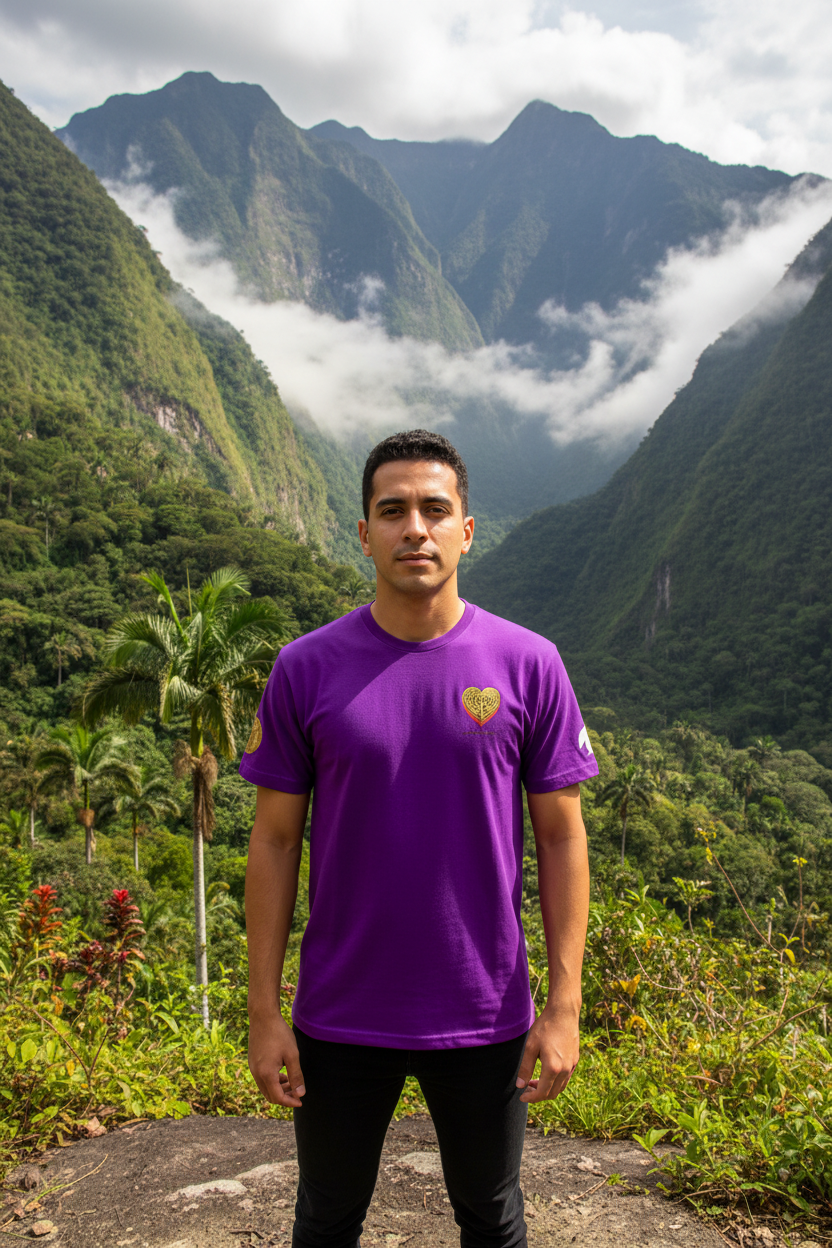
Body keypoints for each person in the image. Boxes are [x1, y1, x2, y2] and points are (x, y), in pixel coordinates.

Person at [242, 429, 598, 1248]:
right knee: (327, 1215)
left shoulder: (529, 663)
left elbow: (561, 838)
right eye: (393, 510)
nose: (415, 529)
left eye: (435, 510)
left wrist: (564, 1006)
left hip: (485, 1009)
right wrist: (263, 1012)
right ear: (363, 533)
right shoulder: (305, 668)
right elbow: (274, 842)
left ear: (466, 531)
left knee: (491, 1214)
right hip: (340, 1011)